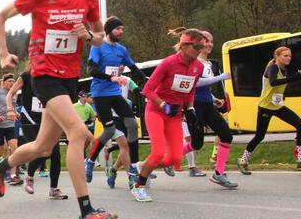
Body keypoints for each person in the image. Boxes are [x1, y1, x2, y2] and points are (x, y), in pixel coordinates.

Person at [0, 0, 117, 219]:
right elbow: (0, 17)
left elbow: (100, 37)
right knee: (78, 132)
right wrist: (2, 54)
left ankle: (2, 166)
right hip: (45, 76)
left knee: (43, 147)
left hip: (70, 78)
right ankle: (86, 213)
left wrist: (90, 35)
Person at [130, 29, 206, 202]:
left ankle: (142, 166)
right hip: (156, 111)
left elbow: (190, 91)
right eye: (196, 46)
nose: (199, 50)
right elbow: (147, 90)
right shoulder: (168, 63)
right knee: (157, 153)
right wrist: (163, 104)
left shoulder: (198, 67)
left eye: (202, 46)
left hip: (175, 115)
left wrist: (191, 109)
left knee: (174, 157)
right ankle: (138, 186)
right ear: (185, 45)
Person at [84, 17, 146, 184]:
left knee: (132, 124)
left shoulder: (121, 49)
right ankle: (89, 161)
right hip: (100, 94)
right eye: (118, 29)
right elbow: (91, 69)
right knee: (110, 130)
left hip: (114, 93)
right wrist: (110, 78)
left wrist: (148, 83)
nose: (121, 32)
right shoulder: (98, 47)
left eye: (122, 29)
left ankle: (133, 165)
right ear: (109, 29)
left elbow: (133, 69)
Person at [183, 30, 236, 187]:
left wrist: (214, 100)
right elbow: (195, 83)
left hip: (207, 105)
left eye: (211, 41)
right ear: (197, 42)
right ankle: (167, 157)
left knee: (226, 135)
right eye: (205, 40)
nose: (209, 44)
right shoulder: (193, 61)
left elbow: (205, 86)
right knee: (196, 144)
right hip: (193, 105)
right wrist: (221, 77)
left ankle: (219, 173)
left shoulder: (208, 64)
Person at [238, 46, 301, 173]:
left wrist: (283, 95)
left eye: (289, 56)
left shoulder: (285, 70)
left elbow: (279, 87)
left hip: (278, 106)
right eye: (285, 55)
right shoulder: (272, 67)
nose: (288, 58)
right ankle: (243, 160)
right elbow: (273, 82)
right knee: (259, 136)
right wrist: (296, 77)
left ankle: (299, 157)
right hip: (265, 107)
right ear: (277, 56)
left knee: (300, 124)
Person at [6, 68, 67, 199]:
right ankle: (30, 175)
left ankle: (53, 189)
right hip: (29, 119)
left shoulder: (52, 75)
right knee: (42, 150)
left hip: (47, 118)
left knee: (55, 153)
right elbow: (10, 94)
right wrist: (10, 109)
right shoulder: (26, 75)